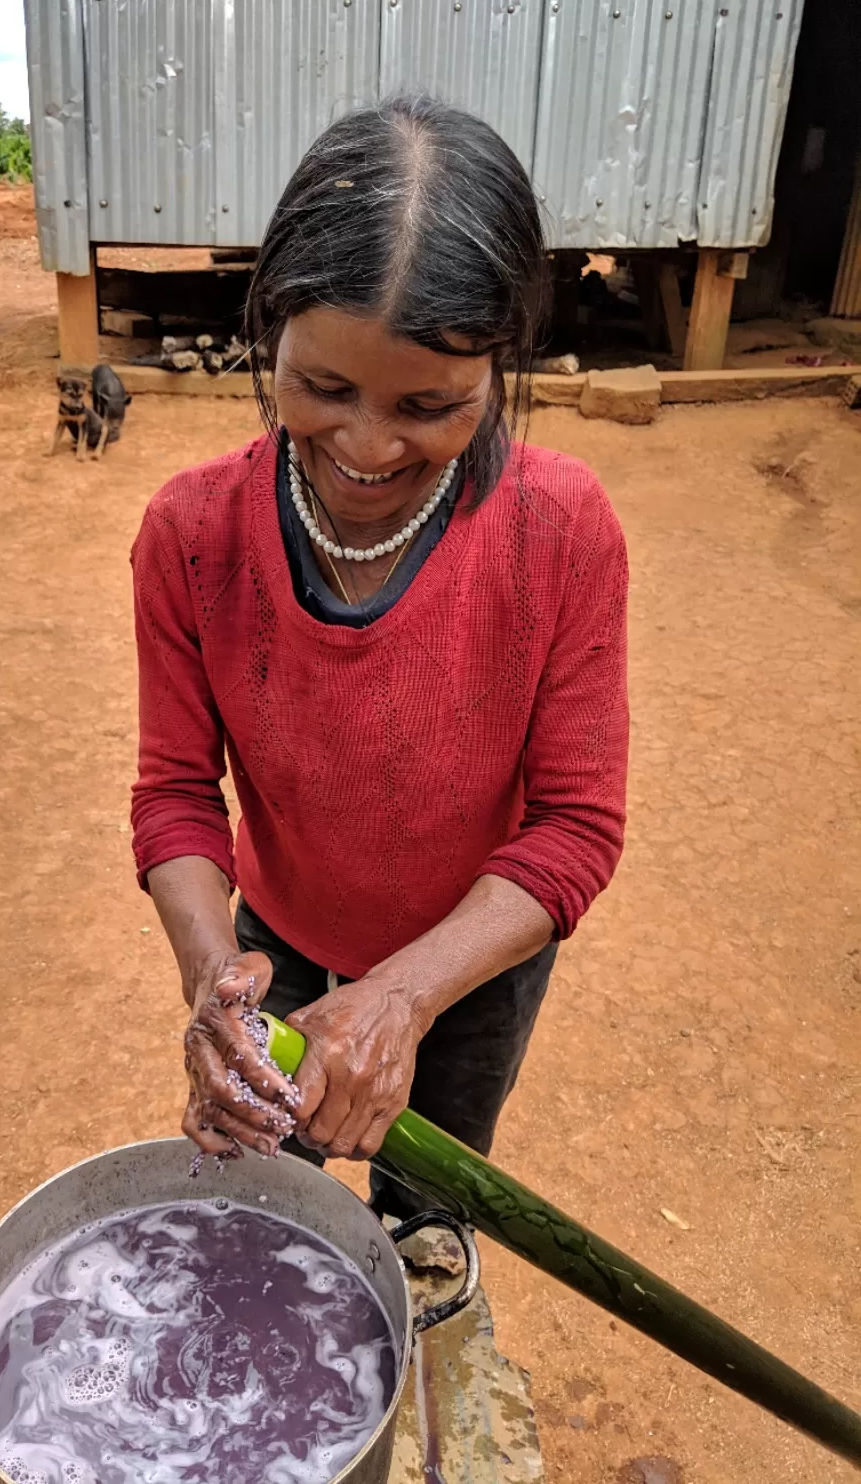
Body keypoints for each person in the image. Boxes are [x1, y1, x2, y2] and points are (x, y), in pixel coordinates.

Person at [130, 96, 628, 1219]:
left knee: (423, 1225)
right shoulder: (193, 533)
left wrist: (406, 996)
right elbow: (173, 796)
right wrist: (216, 982)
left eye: (432, 406)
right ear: (269, 331)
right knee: (259, 1209)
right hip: (275, 951)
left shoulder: (562, 528)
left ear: (505, 365)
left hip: (472, 969)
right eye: (321, 387)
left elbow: (576, 828)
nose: (365, 445)